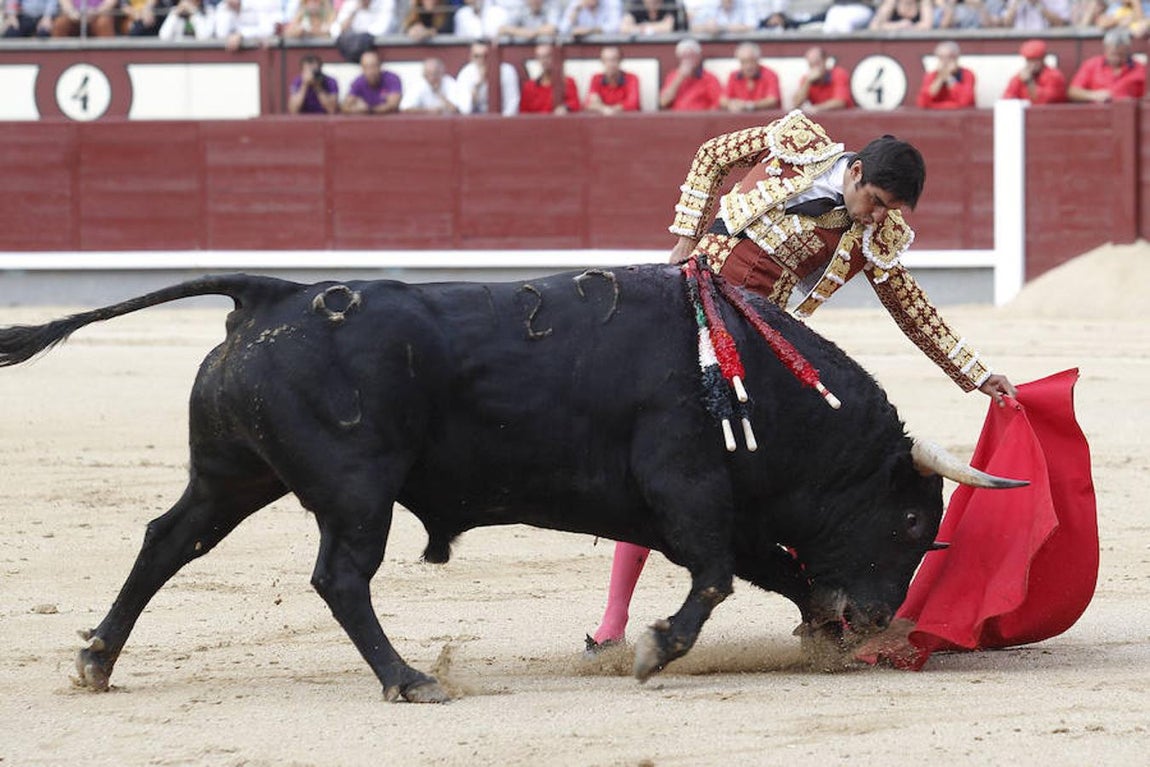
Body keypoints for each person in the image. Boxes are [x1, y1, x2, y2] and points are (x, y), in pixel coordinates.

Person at [587, 109, 1017, 650]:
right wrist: (684, 237)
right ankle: (611, 623)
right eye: (876, 202)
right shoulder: (795, 141)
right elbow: (712, 155)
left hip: (752, 338)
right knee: (663, 460)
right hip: (685, 308)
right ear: (856, 172)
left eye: (889, 211)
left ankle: (822, 605)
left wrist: (976, 374)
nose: (875, 217)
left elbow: (910, 307)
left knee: (781, 472)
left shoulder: (877, 235)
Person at [1068, 27, 1146, 102]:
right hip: (1097, 113)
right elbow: (1073, 91)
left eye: (1121, 55)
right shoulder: (1092, 65)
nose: (1117, 58)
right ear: (1106, 49)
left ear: (1128, 50)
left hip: (1129, 113)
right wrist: (1092, 95)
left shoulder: (1140, 69)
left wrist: (1133, 102)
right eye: (1113, 54)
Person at [456, 39, 521, 115]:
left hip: (503, 120)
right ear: (471, 57)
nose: (481, 60)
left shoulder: (507, 71)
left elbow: (512, 103)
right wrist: (478, 86)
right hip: (476, 122)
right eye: (477, 56)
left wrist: (502, 123)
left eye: (485, 56)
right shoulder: (466, 73)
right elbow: (464, 109)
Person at [659, 37, 722, 111]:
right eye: (684, 56)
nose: (688, 60)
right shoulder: (672, 76)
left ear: (698, 57)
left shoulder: (709, 77)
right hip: (677, 119)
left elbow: (718, 103)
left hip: (700, 119)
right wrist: (680, 78)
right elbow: (663, 102)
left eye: (691, 56)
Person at [520, 42, 582, 114]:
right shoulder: (529, 86)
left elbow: (575, 104)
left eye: (547, 56)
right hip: (536, 124)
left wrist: (565, 107)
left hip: (560, 124)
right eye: (540, 57)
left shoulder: (568, 82)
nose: (544, 61)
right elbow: (524, 112)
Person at [1001, 38, 1068, 103]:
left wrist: (1029, 82)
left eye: (1035, 60)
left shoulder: (1054, 76)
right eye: (1029, 60)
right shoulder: (1019, 77)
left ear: (1043, 58)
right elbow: (1007, 99)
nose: (1032, 64)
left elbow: (1045, 101)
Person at [719, 41, 780, 112]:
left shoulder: (770, 75)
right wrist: (732, 104)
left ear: (758, 60)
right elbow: (722, 100)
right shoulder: (733, 75)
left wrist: (749, 105)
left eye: (751, 61)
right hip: (740, 120)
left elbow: (772, 101)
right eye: (744, 62)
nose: (748, 66)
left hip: (766, 120)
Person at [916, 40, 976, 109]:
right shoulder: (931, 76)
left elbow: (966, 102)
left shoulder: (967, 74)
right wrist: (940, 79)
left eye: (949, 57)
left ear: (956, 58)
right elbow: (922, 103)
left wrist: (950, 79)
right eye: (941, 58)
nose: (945, 61)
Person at [792, 46, 853, 113]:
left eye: (817, 63)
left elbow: (840, 102)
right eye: (811, 65)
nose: (815, 68)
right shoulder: (806, 79)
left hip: (842, 118)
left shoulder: (838, 74)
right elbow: (796, 104)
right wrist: (807, 82)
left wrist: (817, 108)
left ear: (825, 61)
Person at [341, 49, 402, 115]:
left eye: (373, 66)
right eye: (366, 67)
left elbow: (392, 105)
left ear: (380, 66)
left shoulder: (391, 78)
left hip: (390, 122)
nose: (370, 71)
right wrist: (358, 109)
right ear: (362, 68)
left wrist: (367, 110)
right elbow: (345, 107)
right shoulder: (359, 81)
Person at [585, 45, 641, 113]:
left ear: (620, 60)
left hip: (628, 121)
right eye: (606, 60)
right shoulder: (596, 78)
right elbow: (588, 104)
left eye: (614, 59)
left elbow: (633, 104)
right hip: (603, 122)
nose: (610, 64)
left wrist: (606, 109)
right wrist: (604, 109)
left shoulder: (631, 78)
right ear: (602, 61)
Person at [51, 0, 115, 36]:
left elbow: (110, 2)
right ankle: (58, 57)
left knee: (103, 23)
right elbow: (64, 2)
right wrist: (72, 12)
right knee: (61, 23)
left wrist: (96, 12)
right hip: (74, 15)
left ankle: (105, 56)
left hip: (98, 14)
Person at [559, 0, 623, 36]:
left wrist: (590, 30)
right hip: (583, 47)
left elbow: (615, 27)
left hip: (609, 44)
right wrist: (577, 10)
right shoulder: (576, 3)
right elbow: (563, 28)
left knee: (609, 54)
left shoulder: (612, 2)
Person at [687, 0, 753, 34]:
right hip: (713, 46)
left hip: (741, 45)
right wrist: (706, 27)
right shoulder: (708, 3)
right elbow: (693, 27)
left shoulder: (745, 2)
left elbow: (752, 27)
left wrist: (721, 28)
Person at [996, 0, 1071, 28]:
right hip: (1019, 41)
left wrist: (1038, 4)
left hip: (1046, 41)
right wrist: (1017, 3)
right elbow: (1006, 23)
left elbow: (1061, 23)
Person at [869, 0, 934, 28]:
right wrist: (898, 25)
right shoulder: (891, 2)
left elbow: (927, 25)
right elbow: (874, 26)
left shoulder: (924, 2)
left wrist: (910, 27)